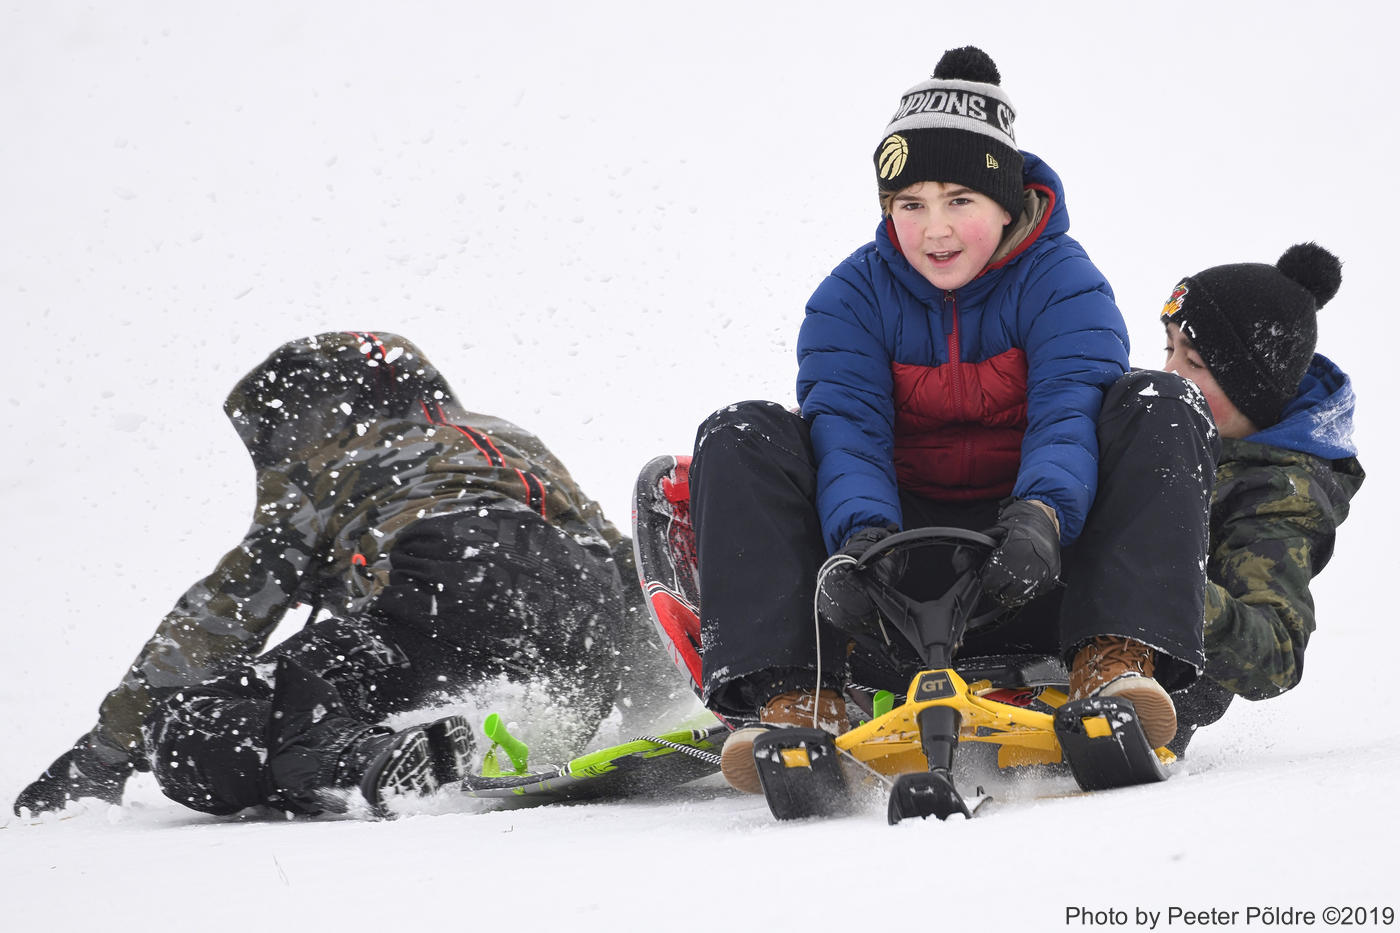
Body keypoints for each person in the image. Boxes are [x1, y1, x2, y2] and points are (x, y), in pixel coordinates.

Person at [687, 46, 1219, 792]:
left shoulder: (1066, 282)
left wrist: (1040, 514)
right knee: (740, 431)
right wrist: (862, 542)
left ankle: (1114, 660)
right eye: (911, 205)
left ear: (1007, 201)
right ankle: (799, 694)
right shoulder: (850, 298)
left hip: (1035, 567)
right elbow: (848, 432)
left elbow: (1070, 413)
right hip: (892, 584)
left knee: (1160, 404)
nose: (935, 228)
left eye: (959, 199)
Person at [13, 331, 668, 817]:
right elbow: (622, 564)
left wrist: (100, 757)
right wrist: (668, 695)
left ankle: (358, 758)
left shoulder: (337, 460)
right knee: (478, 642)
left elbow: (218, 618)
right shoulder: (505, 438)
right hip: (584, 619)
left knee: (189, 722)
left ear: (317, 412)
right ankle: (487, 726)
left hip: (440, 590)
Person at [1159, 244, 1364, 754]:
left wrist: (1167, 587)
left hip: (1160, 690)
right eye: (1169, 349)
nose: (1171, 372)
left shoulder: (1276, 495)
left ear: (1251, 387)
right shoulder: (1172, 436)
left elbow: (1275, 654)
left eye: (1196, 361)